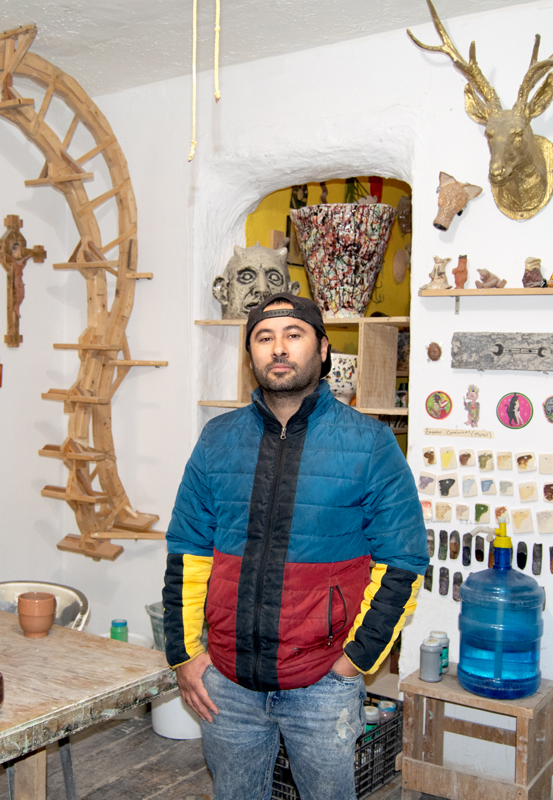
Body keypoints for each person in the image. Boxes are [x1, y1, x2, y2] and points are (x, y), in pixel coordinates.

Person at [161, 293, 428, 800]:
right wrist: (185, 654)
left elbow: (404, 560)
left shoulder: (369, 444)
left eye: (293, 335)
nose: (278, 348)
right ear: (252, 355)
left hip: (323, 683)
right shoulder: (217, 439)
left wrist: (354, 661)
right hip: (227, 683)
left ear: (323, 350)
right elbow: (187, 549)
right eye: (264, 338)